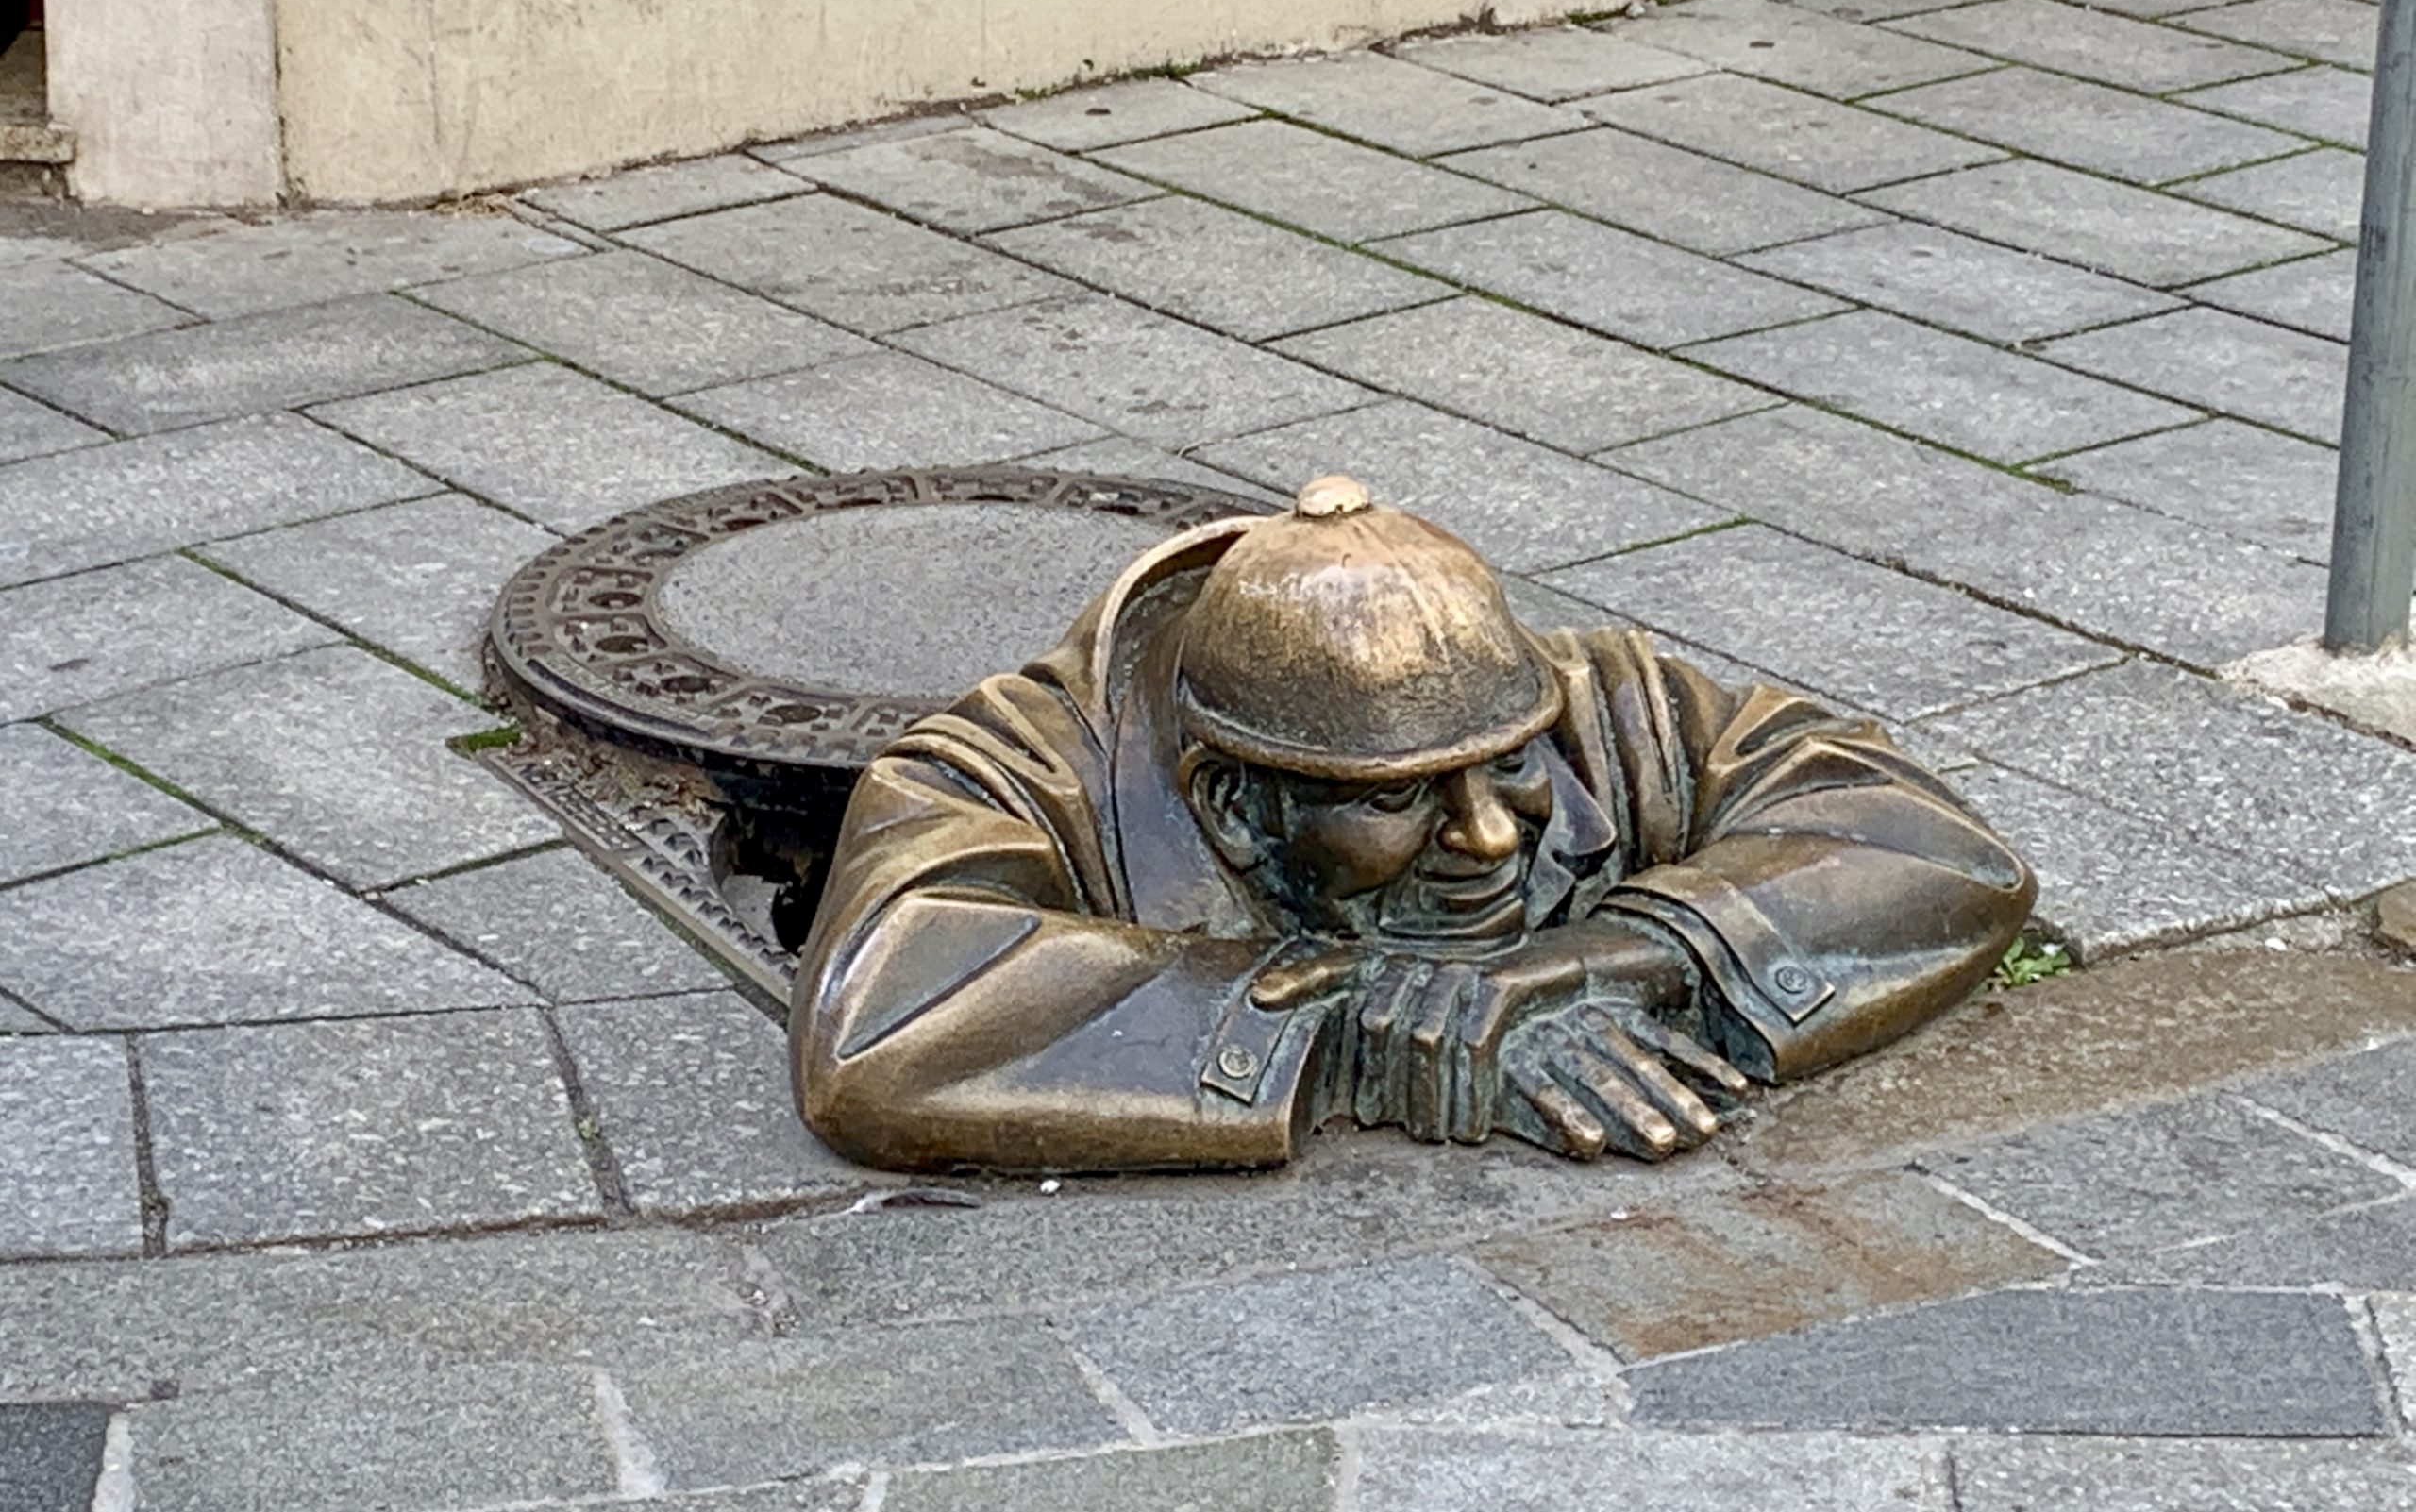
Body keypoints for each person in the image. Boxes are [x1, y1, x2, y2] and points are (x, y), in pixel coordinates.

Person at [789, 477, 2034, 1172]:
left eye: (1508, 768)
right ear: (1236, 802)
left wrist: (1595, 960)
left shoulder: (1585, 697)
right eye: (1393, 797)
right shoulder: (1008, 771)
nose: (1490, 836)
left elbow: (1932, 844)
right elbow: (883, 1022)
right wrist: (1360, 1029)